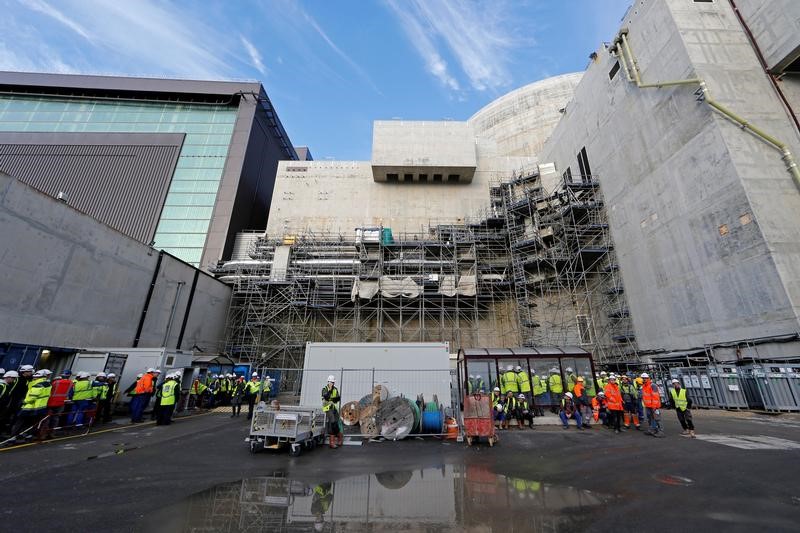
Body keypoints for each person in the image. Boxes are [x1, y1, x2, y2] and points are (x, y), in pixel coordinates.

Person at [12, 369, 51, 440]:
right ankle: (28, 435)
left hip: (30, 406)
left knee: (20, 421)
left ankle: (13, 437)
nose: (34, 377)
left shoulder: (38, 385)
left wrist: (24, 401)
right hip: (41, 407)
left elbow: (32, 397)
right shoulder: (47, 384)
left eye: (35, 376)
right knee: (32, 422)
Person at [45, 369, 73, 436]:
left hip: (50, 402)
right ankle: (52, 433)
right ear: (69, 375)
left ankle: (43, 433)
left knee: (47, 418)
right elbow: (71, 394)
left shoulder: (55, 382)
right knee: (56, 418)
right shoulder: (71, 383)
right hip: (61, 403)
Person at [0, 371, 24, 436]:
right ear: (8, 377)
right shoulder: (2, 386)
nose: (14, 380)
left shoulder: (6, 386)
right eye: (13, 378)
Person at [641, 373, 664, 437]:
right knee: (650, 418)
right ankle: (652, 429)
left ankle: (660, 432)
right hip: (648, 406)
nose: (644, 379)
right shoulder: (644, 386)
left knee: (657, 418)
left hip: (654, 406)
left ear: (648, 378)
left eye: (645, 378)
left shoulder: (652, 385)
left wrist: (654, 406)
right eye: (643, 378)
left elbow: (655, 397)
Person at [322, 375, 342, 448]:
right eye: (331, 382)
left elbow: (338, 398)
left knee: (337, 422)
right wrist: (330, 391)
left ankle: (339, 440)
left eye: (333, 382)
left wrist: (332, 399)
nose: (332, 384)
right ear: (328, 382)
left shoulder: (335, 389)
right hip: (327, 408)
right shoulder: (324, 389)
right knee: (333, 422)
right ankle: (332, 443)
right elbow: (326, 397)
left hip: (334, 408)